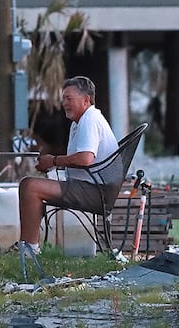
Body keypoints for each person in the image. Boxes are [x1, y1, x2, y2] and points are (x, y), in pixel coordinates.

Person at [14, 75, 119, 257]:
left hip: (95, 192)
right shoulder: (79, 122)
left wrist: (54, 161)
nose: (64, 103)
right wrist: (51, 165)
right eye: (63, 99)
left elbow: (85, 159)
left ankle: (29, 251)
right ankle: (29, 247)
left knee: (29, 186)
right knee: (31, 184)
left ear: (86, 100)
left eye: (69, 98)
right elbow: (79, 159)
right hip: (88, 186)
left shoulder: (90, 119)